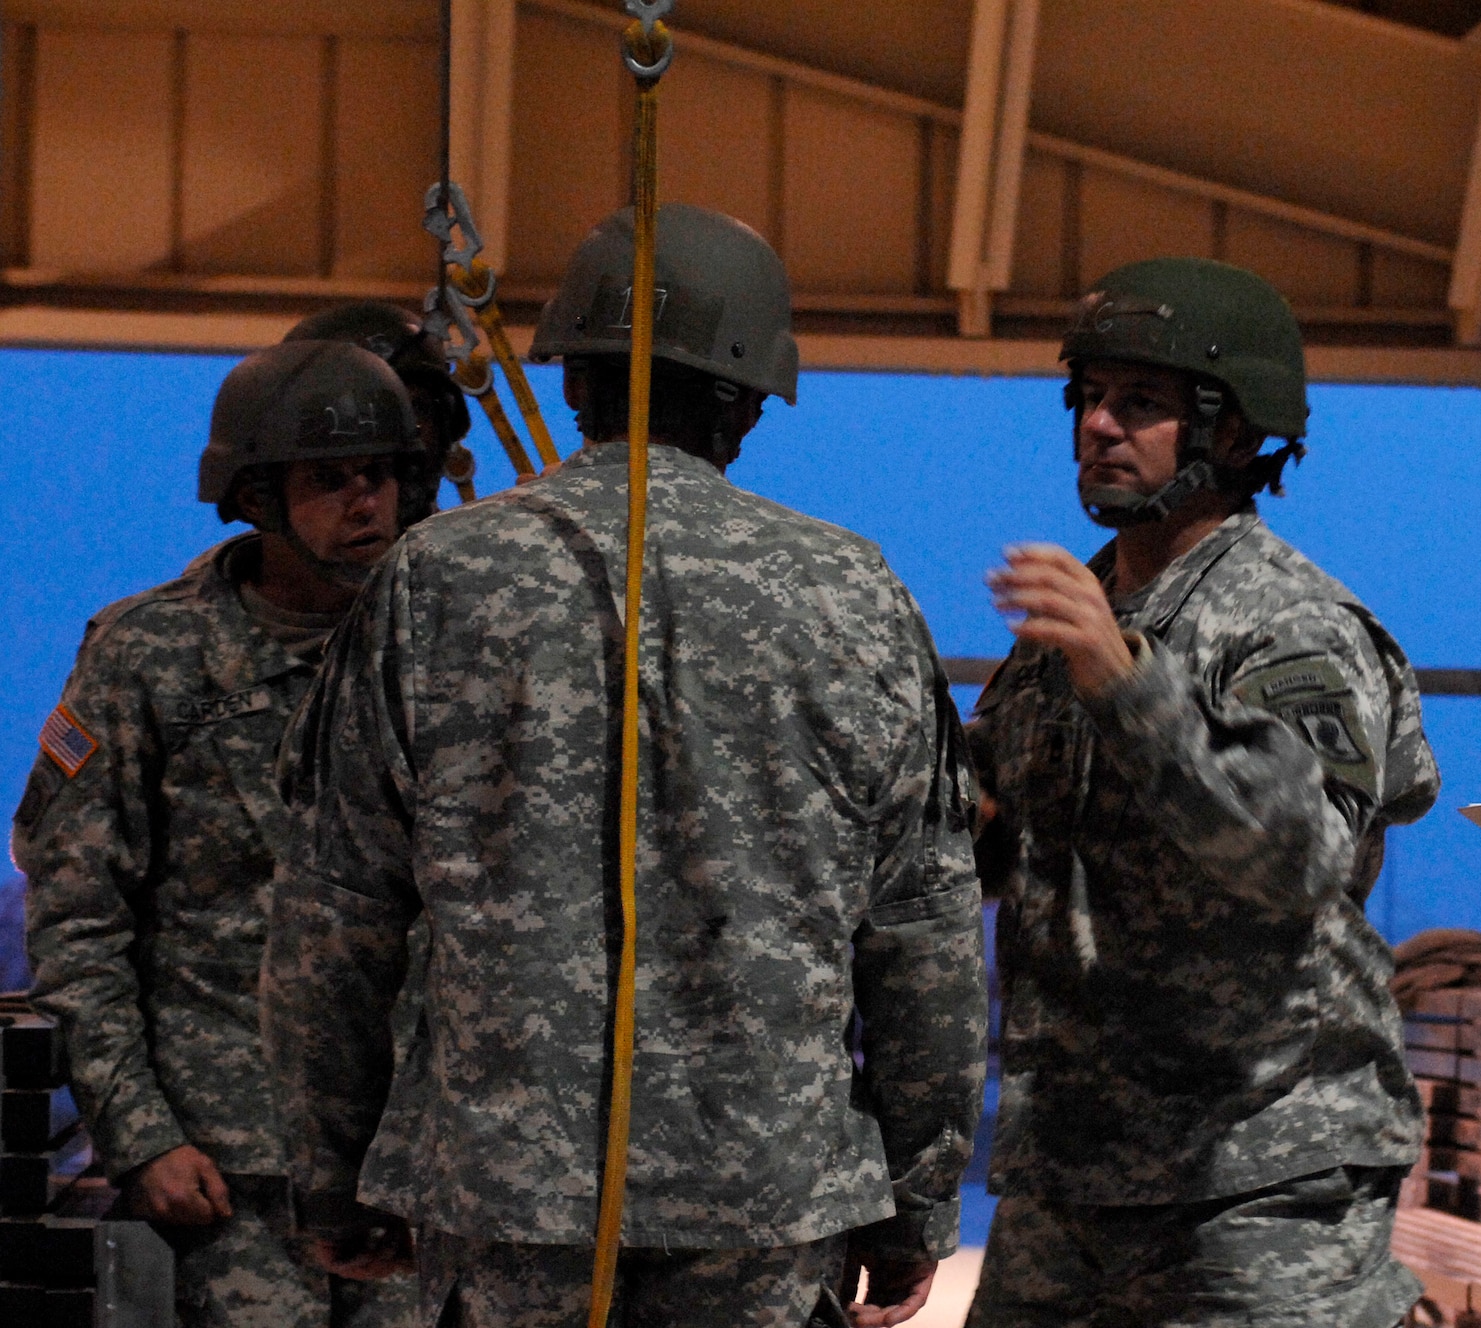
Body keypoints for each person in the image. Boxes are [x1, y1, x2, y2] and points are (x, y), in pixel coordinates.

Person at [260, 204, 989, 1328]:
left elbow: (332, 918)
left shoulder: (435, 580)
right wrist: (917, 1198)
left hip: (504, 1202)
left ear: (571, 381)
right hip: (767, 1202)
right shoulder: (852, 596)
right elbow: (922, 937)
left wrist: (330, 1170)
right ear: (747, 401)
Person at [965, 258, 1441, 1328]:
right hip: (1073, 1169)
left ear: (1233, 434)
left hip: (1255, 1177)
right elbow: (991, 842)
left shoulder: (1292, 626)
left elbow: (1297, 856)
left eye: (1140, 404)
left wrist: (1128, 686)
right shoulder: (1071, 630)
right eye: (1086, 396)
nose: (1096, 425)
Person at [13, 341, 432, 1327]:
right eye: (328, 479)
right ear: (253, 492)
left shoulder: (443, 648)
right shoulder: (147, 655)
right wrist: (141, 1132)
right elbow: (78, 919)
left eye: (380, 474)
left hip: (418, 1163)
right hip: (231, 1166)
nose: (365, 501)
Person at [282, 302, 475, 517]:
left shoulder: (488, 547)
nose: (397, 441)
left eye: (415, 412)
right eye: (363, 418)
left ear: (444, 428)